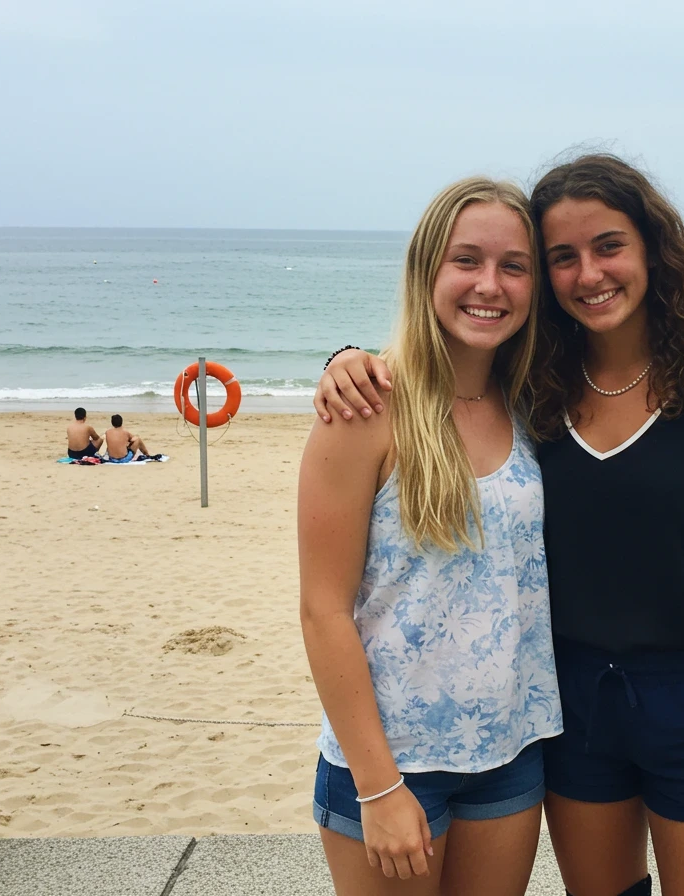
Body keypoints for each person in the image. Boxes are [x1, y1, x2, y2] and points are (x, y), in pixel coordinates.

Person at [316, 154, 684, 896]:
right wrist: (343, 359)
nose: (589, 274)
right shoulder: (540, 389)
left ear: (652, 250)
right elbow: (437, 368)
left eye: (608, 246)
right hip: (571, 702)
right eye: (562, 257)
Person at [299, 178, 564, 896]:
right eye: (466, 261)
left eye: (514, 265)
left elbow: (632, 363)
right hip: (388, 767)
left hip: (509, 756)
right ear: (426, 271)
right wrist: (379, 788)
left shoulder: (537, 402)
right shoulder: (365, 408)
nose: (490, 285)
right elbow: (323, 610)